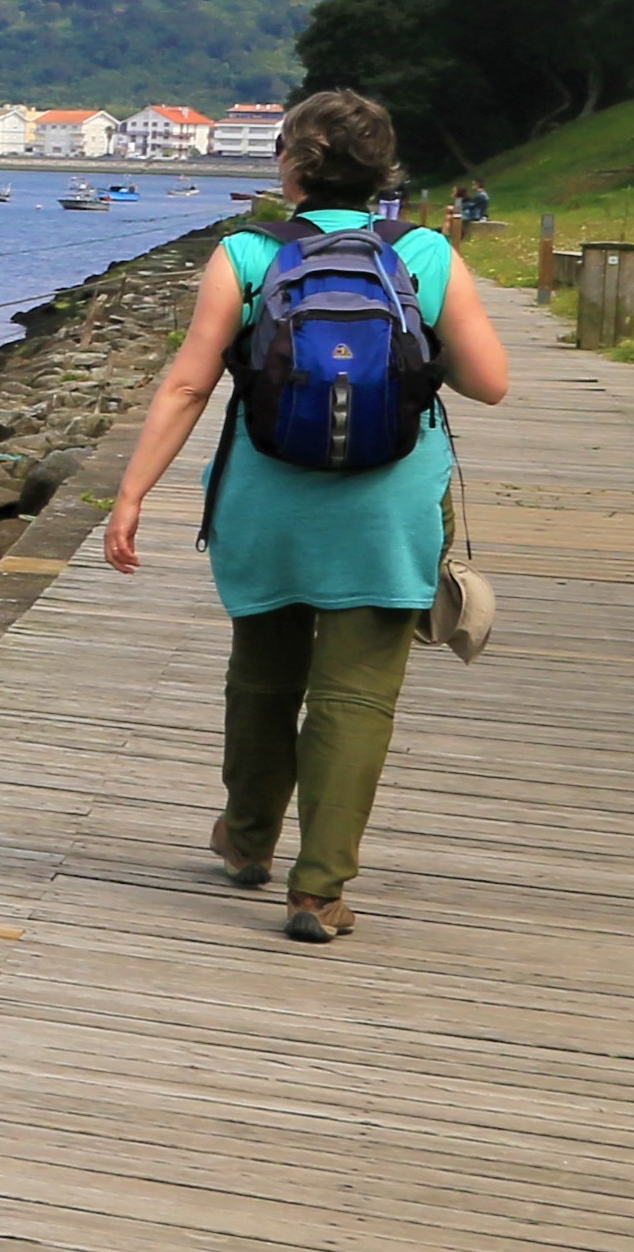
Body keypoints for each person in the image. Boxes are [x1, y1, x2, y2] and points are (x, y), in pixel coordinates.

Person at [100, 90, 511, 941]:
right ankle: (319, 890)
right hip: (389, 501)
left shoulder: (246, 255)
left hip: (268, 493)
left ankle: (247, 841)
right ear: (383, 168)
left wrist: (132, 492)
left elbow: (187, 384)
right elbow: (489, 381)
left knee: (263, 670)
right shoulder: (427, 252)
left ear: (290, 164)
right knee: (355, 695)